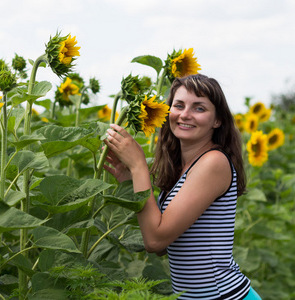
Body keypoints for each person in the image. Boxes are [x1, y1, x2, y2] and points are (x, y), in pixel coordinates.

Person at [103, 74, 262, 300]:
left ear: (217, 120)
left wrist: (139, 165)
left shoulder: (213, 162)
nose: (185, 114)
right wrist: (130, 181)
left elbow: (155, 240)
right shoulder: (183, 169)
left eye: (199, 108)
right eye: (179, 105)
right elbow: (163, 245)